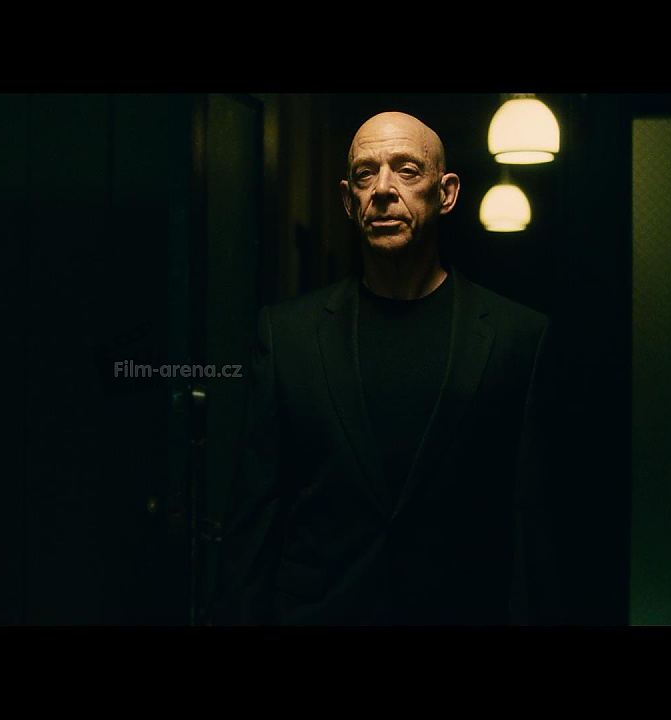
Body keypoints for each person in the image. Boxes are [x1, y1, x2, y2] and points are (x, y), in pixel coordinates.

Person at [211, 111, 562, 626]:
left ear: (446, 193)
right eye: (365, 174)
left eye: (406, 170)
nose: (382, 189)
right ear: (348, 200)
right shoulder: (288, 337)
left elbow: (534, 527)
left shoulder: (517, 338)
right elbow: (253, 521)